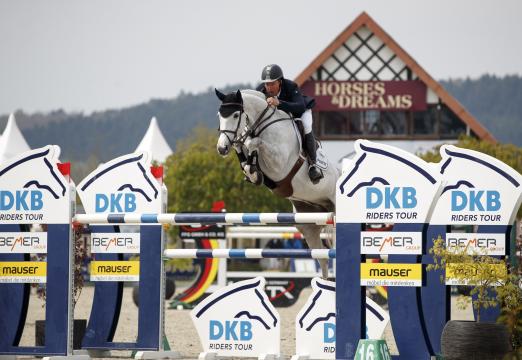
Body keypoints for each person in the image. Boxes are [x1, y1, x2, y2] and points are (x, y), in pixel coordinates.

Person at [256, 64, 323, 184]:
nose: (269, 88)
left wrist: (279, 103)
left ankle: (313, 165)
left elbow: (300, 107)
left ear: (280, 81)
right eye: (267, 84)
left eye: (272, 84)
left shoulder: (291, 86)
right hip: (281, 116)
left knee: (306, 126)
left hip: (300, 112)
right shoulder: (261, 90)